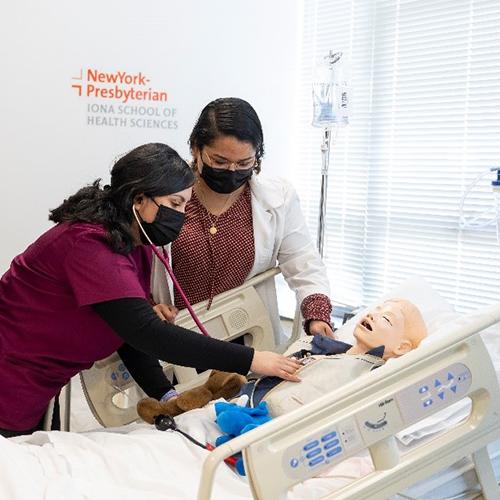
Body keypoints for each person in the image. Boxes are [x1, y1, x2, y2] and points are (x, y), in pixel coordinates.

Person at [0, 142, 301, 438]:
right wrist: (251, 359)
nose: (181, 215)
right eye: (174, 204)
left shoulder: (136, 243)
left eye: (185, 204)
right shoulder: (89, 245)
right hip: (11, 376)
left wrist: (166, 396)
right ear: (139, 199)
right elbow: (147, 332)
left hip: (35, 383)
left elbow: (127, 334)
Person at [151, 97, 334, 344]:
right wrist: (147, 305)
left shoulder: (277, 198)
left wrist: (317, 313)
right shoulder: (164, 193)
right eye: (220, 161)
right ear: (196, 149)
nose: (232, 171)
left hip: (245, 336)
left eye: (245, 162)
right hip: (177, 338)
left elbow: (302, 261)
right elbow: (131, 262)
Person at [242, 298, 428, 416]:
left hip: (269, 423)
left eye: (386, 319)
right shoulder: (314, 344)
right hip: (242, 401)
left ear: (402, 347)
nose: (372, 315)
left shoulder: (369, 376)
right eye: (375, 310)